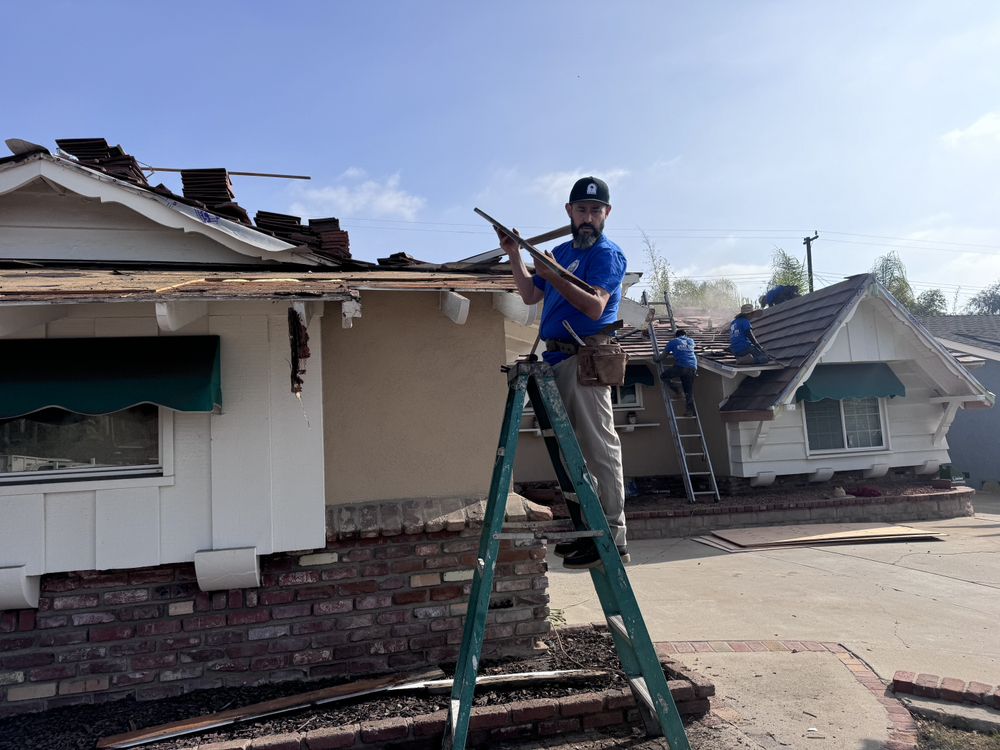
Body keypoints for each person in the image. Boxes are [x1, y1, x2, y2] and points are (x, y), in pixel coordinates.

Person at [498, 176, 628, 570]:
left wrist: (553, 274)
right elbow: (530, 294)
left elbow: (595, 306)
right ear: (569, 211)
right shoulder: (561, 252)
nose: (588, 217)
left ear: (607, 213)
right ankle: (590, 531)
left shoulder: (606, 254)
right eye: (581, 209)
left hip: (585, 357)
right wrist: (514, 255)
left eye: (595, 210)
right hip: (556, 360)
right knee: (573, 452)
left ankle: (612, 537)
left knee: (598, 449)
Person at [660, 329, 697, 416]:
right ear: (685, 335)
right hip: (692, 367)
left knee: (664, 376)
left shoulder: (673, 342)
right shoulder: (691, 341)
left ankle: (678, 391)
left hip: (681, 366)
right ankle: (689, 411)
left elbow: (663, 356)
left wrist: (656, 359)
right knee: (688, 391)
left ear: (676, 335)